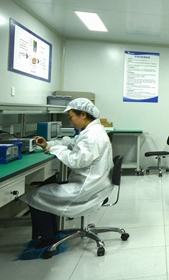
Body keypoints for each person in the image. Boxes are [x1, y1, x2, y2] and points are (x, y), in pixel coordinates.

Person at [21, 98, 114, 249]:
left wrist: (56, 150)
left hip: (87, 188)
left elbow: (77, 161)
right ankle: (52, 234)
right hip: (93, 183)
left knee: (36, 196)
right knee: (45, 189)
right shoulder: (92, 131)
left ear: (83, 114)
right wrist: (49, 144)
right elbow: (72, 143)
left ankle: (47, 241)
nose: (70, 121)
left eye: (71, 117)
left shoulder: (92, 136)